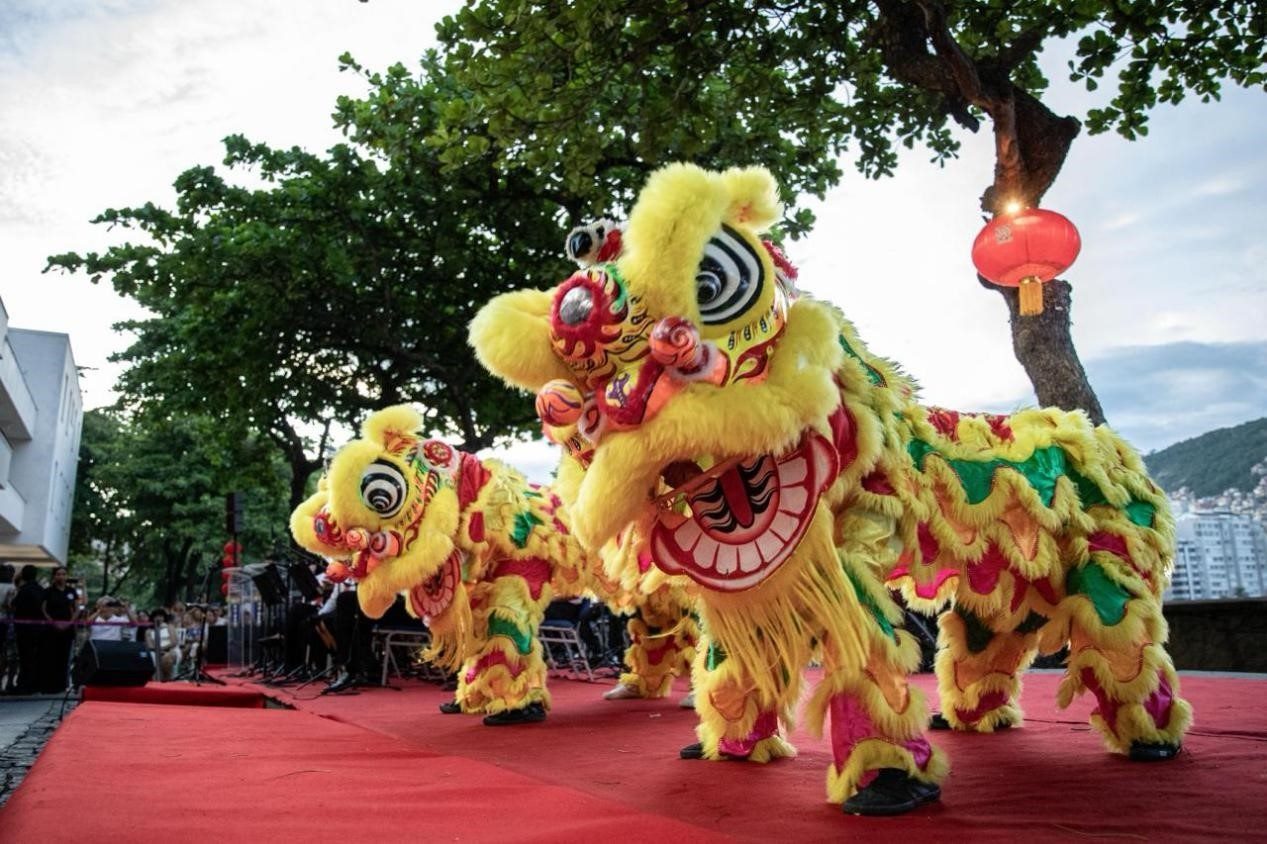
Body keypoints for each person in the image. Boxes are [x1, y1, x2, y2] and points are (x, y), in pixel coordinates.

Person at [40, 566, 79, 693]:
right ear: (54, 576)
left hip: (67, 630)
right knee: (50, 657)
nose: (61, 576)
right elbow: (43, 609)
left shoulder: (71, 591)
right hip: (51, 630)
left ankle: (62, 685)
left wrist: (69, 623)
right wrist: (53, 622)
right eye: (58, 574)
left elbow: (77, 609)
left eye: (63, 574)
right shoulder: (48, 591)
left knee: (64, 658)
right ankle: (48, 685)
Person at [11, 566, 44, 694]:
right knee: (34, 657)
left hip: (24, 630)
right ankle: (33, 684)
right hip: (38, 629)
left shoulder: (24, 590)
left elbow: (14, 605)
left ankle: (24, 685)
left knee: (25, 657)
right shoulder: (40, 589)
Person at [147, 608, 181, 681]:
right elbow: (150, 645)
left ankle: (167, 680)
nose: (158, 618)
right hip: (156, 652)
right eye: (156, 616)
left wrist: (162, 649)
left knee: (167, 657)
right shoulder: (148, 631)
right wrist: (158, 651)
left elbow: (174, 642)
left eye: (161, 616)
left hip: (171, 650)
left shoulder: (170, 627)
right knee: (151, 657)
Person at [0, 564, 15, 691]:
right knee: (5, 653)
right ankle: (6, 683)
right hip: (5, 623)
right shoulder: (11, 588)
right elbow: (10, 606)